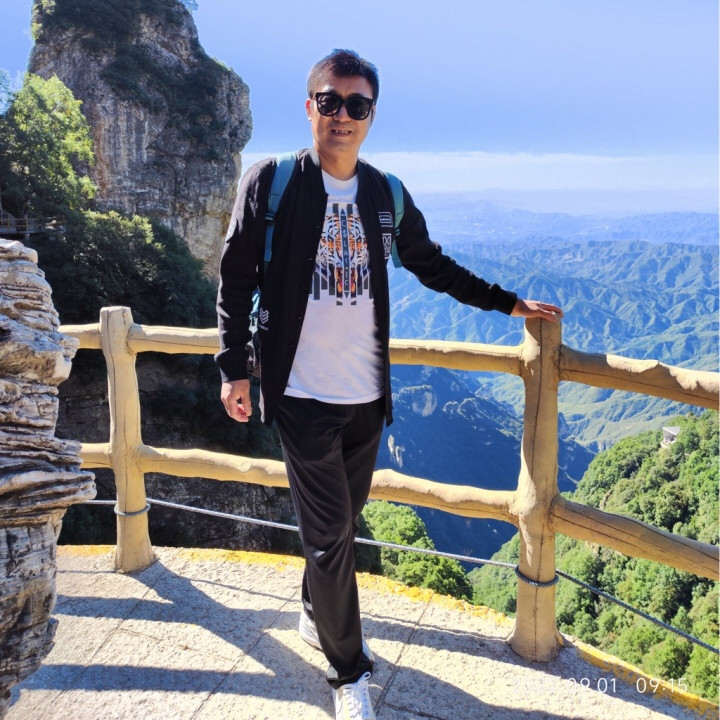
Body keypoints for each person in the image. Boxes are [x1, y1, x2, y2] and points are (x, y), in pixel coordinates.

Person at [216, 48, 563, 720]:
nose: (342, 115)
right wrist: (233, 368)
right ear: (310, 106)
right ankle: (349, 673)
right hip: (300, 393)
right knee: (328, 537)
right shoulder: (274, 184)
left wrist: (507, 302)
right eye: (330, 100)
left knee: (343, 526)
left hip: (367, 398)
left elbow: (431, 264)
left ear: (372, 115)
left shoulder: (386, 194)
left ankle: (314, 610)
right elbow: (234, 278)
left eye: (357, 104)